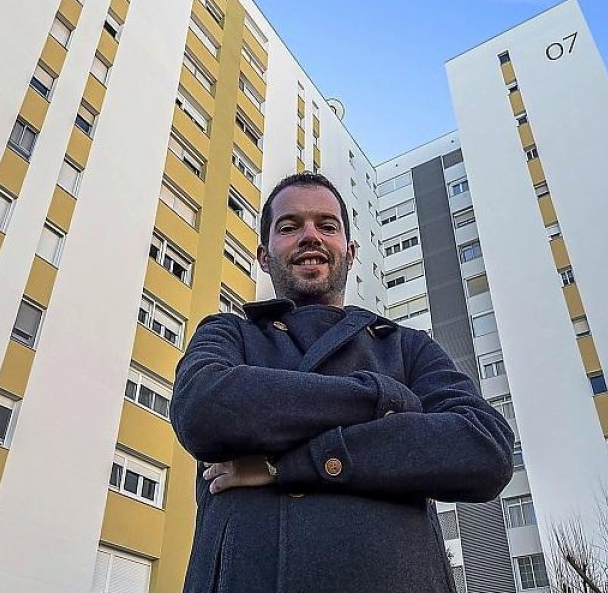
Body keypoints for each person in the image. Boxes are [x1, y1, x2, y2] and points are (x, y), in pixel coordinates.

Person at [170, 172, 514, 593]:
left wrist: (286, 466)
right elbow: (203, 410)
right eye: (290, 226)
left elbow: (485, 449)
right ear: (263, 255)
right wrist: (381, 398)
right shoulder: (228, 333)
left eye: (327, 226)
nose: (310, 236)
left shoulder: (407, 348)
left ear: (350, 252)